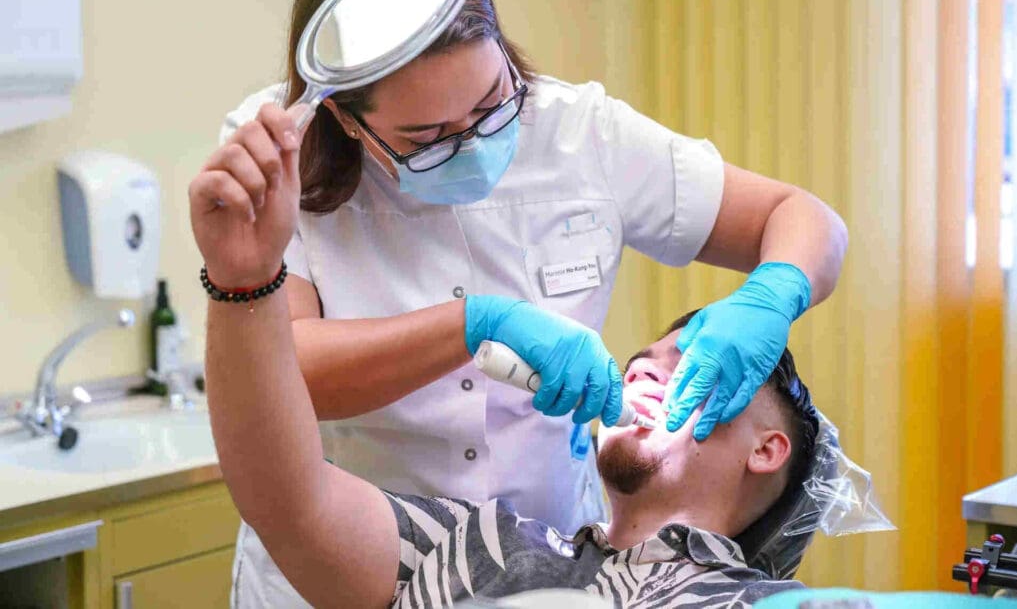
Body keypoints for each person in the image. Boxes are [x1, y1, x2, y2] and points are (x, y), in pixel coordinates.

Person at [196, 0, 847, 604]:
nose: (472, 141)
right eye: (428, 138)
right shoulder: (281, 156)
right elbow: (282, 382)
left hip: (546, 547)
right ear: (347, 119)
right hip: (361, 558)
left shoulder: (583, 134)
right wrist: (473, 326)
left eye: (491, 105)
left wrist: (774, 292)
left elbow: (806, 218)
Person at [196, 251, 820, 607]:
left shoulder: (750, 601)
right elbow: (284, 496)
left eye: (690, 368)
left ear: (768, 450)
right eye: (642, 364)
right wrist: (239, 284)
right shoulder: (480, 540)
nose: (644, 373)